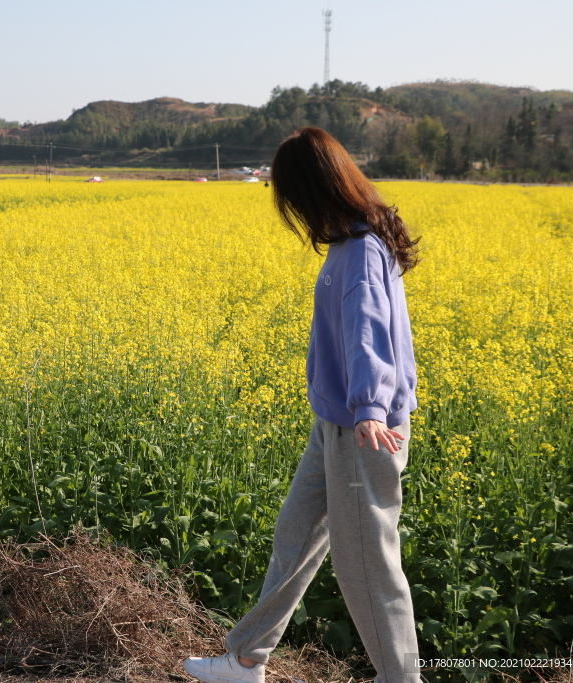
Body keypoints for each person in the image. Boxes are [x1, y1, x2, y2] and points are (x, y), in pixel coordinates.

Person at [183, 127, 421, 683]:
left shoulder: (361, 250)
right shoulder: (351, 243)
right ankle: (245, 659)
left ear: (313, 190)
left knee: (366, 567)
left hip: (364, 429)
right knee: (294, 537)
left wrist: (367, 406)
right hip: (335, 426)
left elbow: (368, 334)